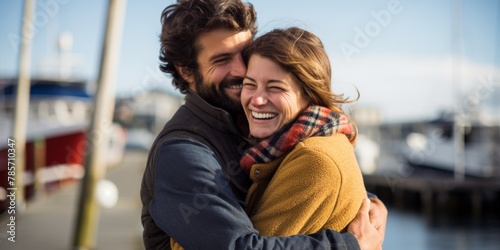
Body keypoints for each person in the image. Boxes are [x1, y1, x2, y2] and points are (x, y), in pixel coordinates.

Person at [140, 0, 387, 249]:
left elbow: (306, 175)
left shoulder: (257, 127)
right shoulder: (183, 152)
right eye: (222, 59)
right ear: (186, 71)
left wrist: (369, 204)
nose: (241, 69)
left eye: (244, 54)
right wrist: (350, 245)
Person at [240, 27, 367, 236]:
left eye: (275, 87)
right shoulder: (295, 145)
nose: (257, 100)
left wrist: (179, 236)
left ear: (310, 94)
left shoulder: (314, 159)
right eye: (249, 84)